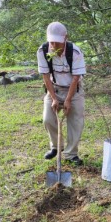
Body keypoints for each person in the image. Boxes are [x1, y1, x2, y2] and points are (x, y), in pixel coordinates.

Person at [37, 22, 86, 164]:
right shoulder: (42, 51)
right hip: (54, 88)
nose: (54, 46)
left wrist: (68, 100)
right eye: (51, 42)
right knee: (48, 118)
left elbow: (76, 77)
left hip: (74, 90)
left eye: (57, 43)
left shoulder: (75, 52)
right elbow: (45, 76)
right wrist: (53, 98)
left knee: (75, 121)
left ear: (65, 38)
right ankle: (56, 147)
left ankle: (71, 154)